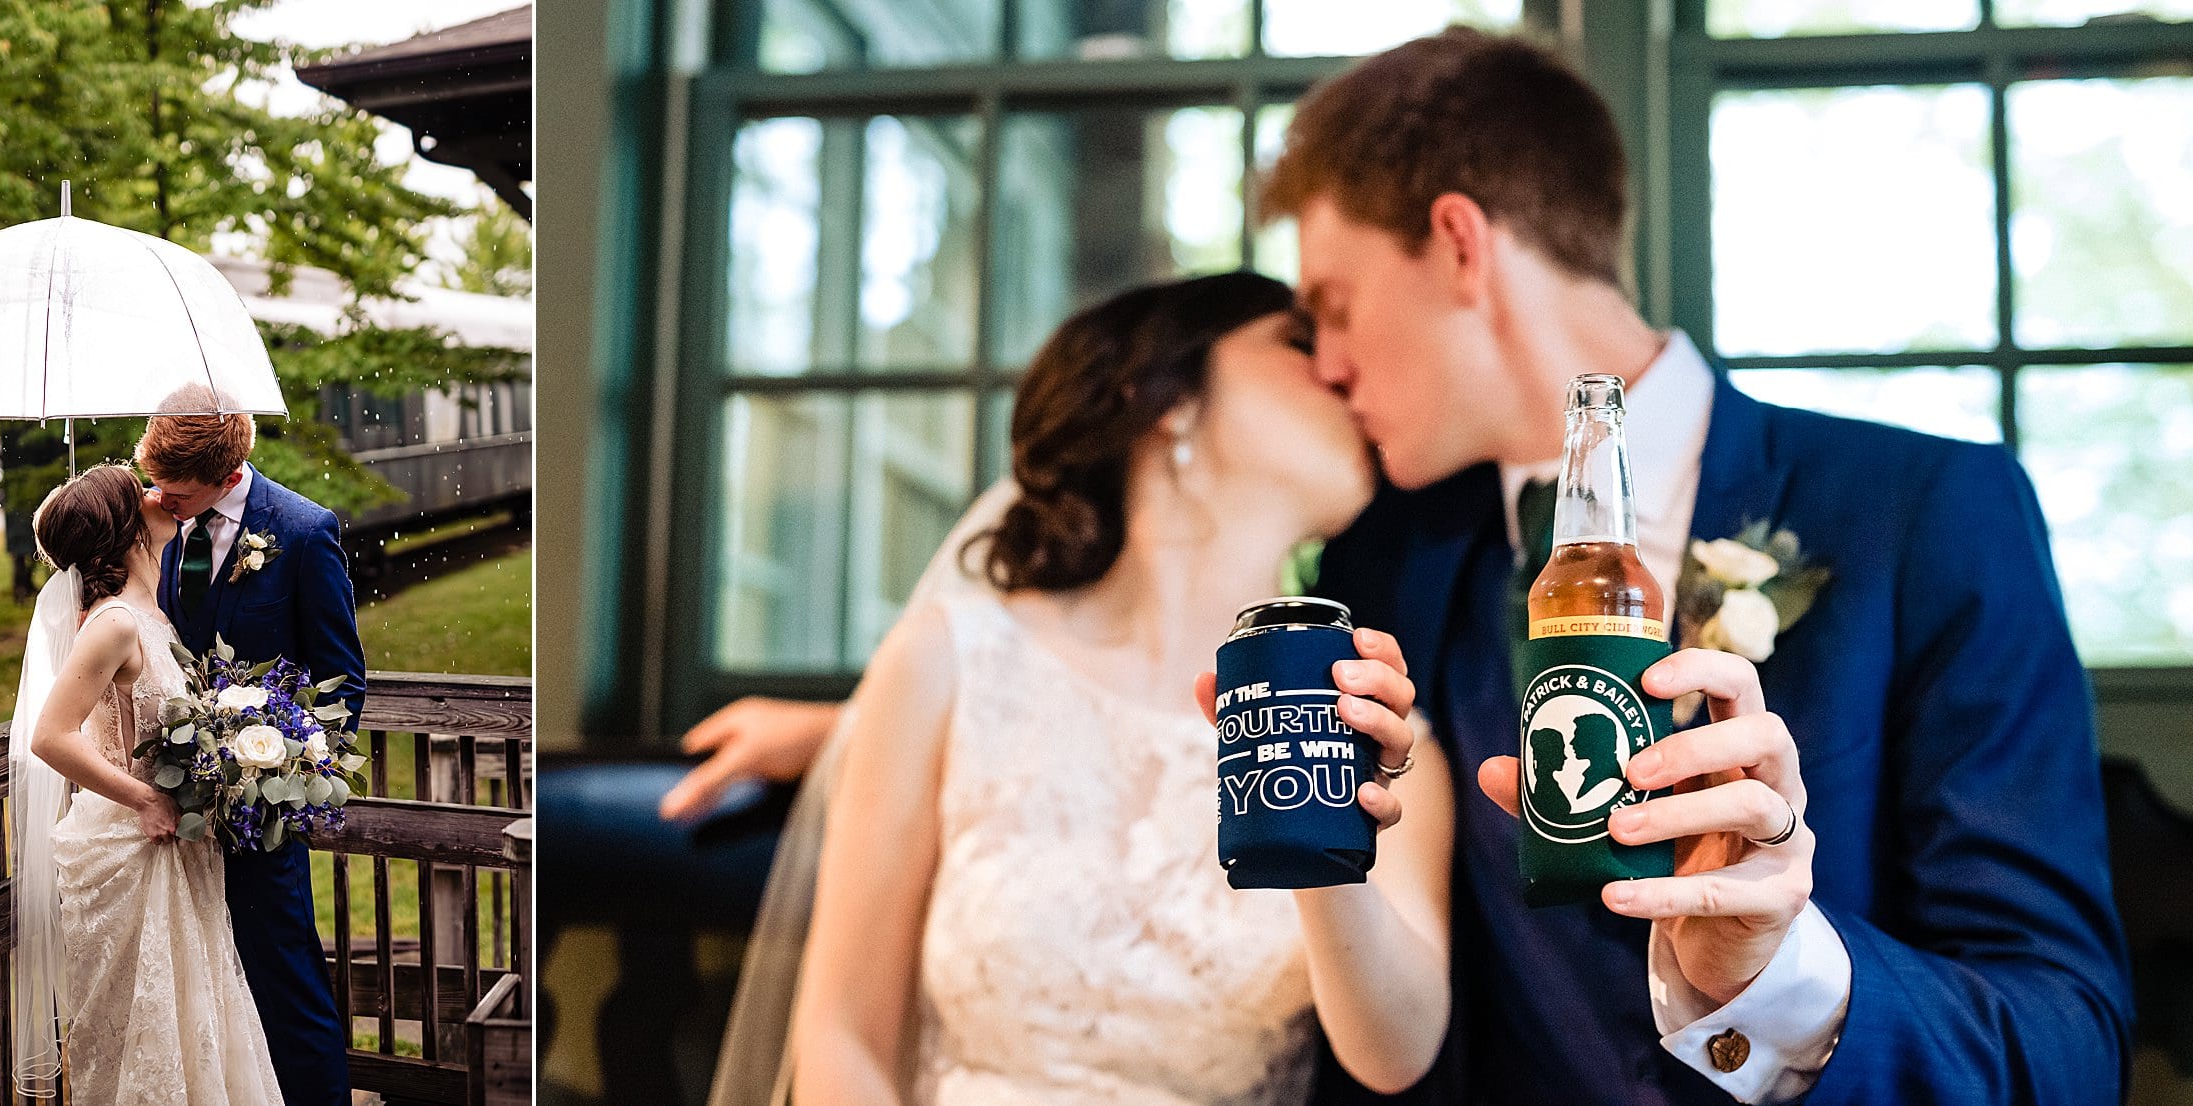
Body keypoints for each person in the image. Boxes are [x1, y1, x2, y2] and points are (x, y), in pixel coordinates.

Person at [691, 27, 2132, 1106]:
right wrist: (860, 733)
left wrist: (1785, 972)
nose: (1325, 362)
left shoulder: (1927, 514)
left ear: (1457, 245)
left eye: (1330, 304)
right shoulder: (1392, 559)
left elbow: (2068, 1037)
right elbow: (1160, 701)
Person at [782, 272, 1453, 1105]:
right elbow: (842, 1035)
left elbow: (1398, 1052)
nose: (1342, 370)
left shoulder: (1381, 731)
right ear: (1166, 400)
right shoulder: (947, 663)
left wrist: (1322, 818)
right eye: (1299, 343)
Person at [9, 463, 284, 1103]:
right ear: (126, 527)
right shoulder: (114, 623)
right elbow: (50, 735)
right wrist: (145, 799)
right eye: (141, 492)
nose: (157, 494)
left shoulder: (150, 613)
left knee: (195, 1022)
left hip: (176, 847)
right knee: (143, 1038)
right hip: (131, 849)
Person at [141, 393, 366, 1106]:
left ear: (225, 474)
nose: (160, 498)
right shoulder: (160, 527)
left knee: (282, 976)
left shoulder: (302, 532)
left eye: (175, 490)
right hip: (169, 813)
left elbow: (341, 679)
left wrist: (291, 778)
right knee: (204, 983)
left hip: (258, 813)